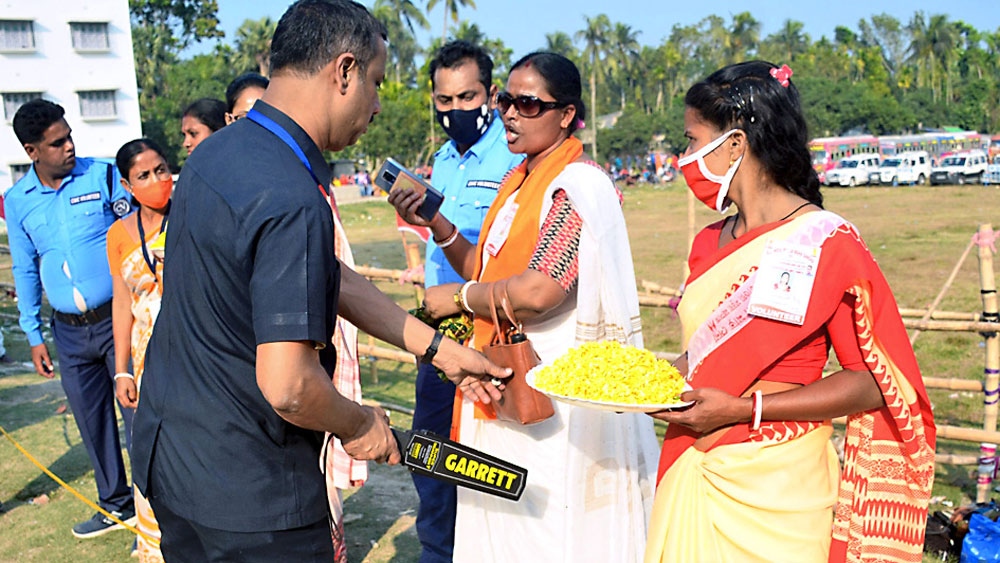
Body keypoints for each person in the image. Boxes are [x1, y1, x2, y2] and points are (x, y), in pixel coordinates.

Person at [130, 2, 506, 561]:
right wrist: (360, 425)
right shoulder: (290, 193)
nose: (377, 106)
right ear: (345, 71)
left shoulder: (217, 155)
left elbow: (329, 278)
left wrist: (436, 349)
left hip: (175, 461)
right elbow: (289, 385)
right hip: (250, 493)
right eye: (376, 84)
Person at [644, 61, 936, 562]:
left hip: (779, 486)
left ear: (734, 145)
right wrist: (636, 383)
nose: (682, 157)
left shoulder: (827, 241)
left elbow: (871, 381)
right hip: (692, 464)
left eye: (690, 141)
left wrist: (745, 410)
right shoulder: (708, 243)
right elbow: (705, 358)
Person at [391, 52, 658, 563]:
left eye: (529, 103)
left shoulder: (578, 185)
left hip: (551, 394)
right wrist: (439, 225)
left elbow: (539, 291)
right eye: (507, 100)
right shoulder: (519, 179)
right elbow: (489, 270)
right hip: (502, 378)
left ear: (566, 115)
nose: (511, 113)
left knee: (545, 527)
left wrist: (462, 299)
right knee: (501, 524)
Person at [411, 39, 525, 563]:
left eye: (467, 97)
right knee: (431, 457)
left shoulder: (514, 155)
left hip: (488, 332)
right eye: (444, 101)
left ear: (491, 92)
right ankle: (439, 554)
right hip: (437, 338)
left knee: (491, 465)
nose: (455, 110)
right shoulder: (441, 160)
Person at [5, 99, 136, 538]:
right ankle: (117, 505)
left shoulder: (103, 176)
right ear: (32, 151)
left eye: (69, 136)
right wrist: (33, 332)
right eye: (56, 143)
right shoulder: (17, 201)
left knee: (139, 414)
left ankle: (156, 501)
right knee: (91, 420)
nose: (69, 147)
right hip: (68, 333)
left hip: (119, 321)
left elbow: (137, 241)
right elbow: (24, 268)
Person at [107, 138, 172, 563]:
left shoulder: (190, 215)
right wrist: (122, 370)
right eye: (144, 176)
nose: (157, 181)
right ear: (129, 186)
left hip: (197, 351)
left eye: (161, 169)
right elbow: (121, 302)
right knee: (152, 451)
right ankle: (153, 545)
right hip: (147, 360)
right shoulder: (118, 234)